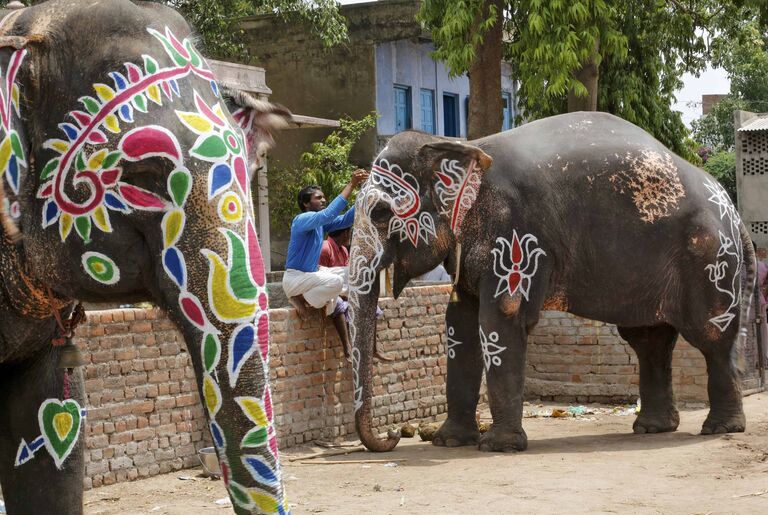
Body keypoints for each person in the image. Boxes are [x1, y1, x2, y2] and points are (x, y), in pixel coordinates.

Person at [282, 170, 368, 357]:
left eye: (324, 198)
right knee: (336, 283)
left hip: (310, 277)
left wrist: (365, 191)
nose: (323, 200)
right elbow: (328, 214)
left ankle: (317, 299)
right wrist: (351, 184)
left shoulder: (320, 224)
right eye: (318, 198)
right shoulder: (302, 220)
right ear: (306, 204)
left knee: (351, 273)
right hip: (296, 278)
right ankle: (302, 299)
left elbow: (346, 219)